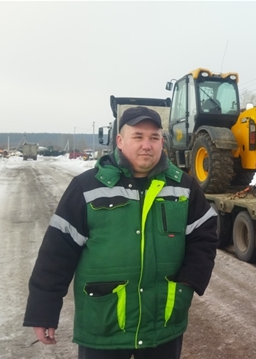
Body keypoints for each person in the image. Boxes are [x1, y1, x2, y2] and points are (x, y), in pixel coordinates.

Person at [24, 106, 218, 359]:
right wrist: (43, 311)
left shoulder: (184, 186)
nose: (146, 145)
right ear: (120, 141)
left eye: (154, 137)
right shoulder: (86, 187)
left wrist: (187, 284)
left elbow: (204, 238)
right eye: (138, 136)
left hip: (162, 325)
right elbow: (57, 253)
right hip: (103, 326)